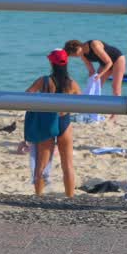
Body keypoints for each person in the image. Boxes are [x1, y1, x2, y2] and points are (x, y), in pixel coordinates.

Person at [24, 49, 80, 197]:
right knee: (67, 165)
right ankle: (70, 197)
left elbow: (26, 96)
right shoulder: (71, 83)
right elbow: (83, 102)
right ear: (66, 63)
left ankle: (39, 196)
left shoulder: (44, 81)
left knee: (41, 164)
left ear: (51, 62)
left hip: (47, 122)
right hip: (64, 122)